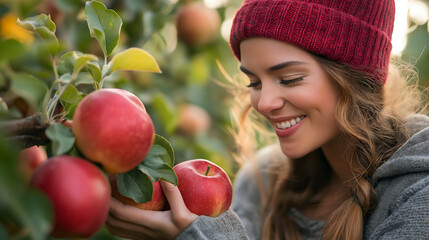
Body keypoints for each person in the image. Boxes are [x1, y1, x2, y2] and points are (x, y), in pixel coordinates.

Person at [106, 0, 429, 239]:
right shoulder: (262, 183)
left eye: (289, 79)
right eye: (254, 82)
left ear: (353, 78)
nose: (264, 103)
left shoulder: (418, 194)